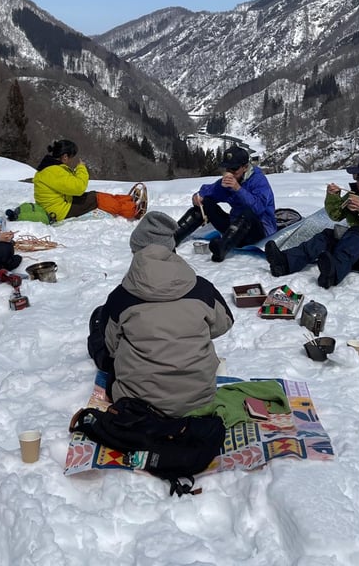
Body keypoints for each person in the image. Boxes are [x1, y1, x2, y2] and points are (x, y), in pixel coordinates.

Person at [87, 212, 234, 417]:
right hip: (199, 399)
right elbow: (223, 323)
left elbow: (112, 347)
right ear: (172, 249)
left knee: (100, 324)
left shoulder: (121, 297)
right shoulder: (201, 288)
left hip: (138, 403)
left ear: (136, 252)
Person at [265, 154, 359, 288]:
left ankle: (333, 273)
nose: (357, 181)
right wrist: (333, 197)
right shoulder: (357, 194)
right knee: (328, 235)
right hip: (358, 248)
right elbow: (336, 215)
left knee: (356, 232)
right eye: (356, 176)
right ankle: (285, 262)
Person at [173, 145, 276, 262]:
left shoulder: (258, 180)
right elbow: (209, 191)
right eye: (228, 169)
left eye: (234, 169)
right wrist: (197, 197)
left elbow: (258, 208)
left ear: (245, 167)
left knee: (248, 212)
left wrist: (238, 189)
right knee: (206, 202)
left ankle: (222, 247)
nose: (230, 172)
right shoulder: (230, 180)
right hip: (234, 228)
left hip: (259, 230)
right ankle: (173, 237)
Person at [30, 139, 145, 221]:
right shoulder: (53, 171)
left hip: (58, 206)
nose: (71, 160)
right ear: (65, 157)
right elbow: (79, 187)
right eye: (71, 157)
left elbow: (68, 184)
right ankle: (132, 210)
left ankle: (129, 200)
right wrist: (81, 168)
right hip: (59, 212)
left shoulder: (50, 169)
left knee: (95, 196)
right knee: (96, 198)